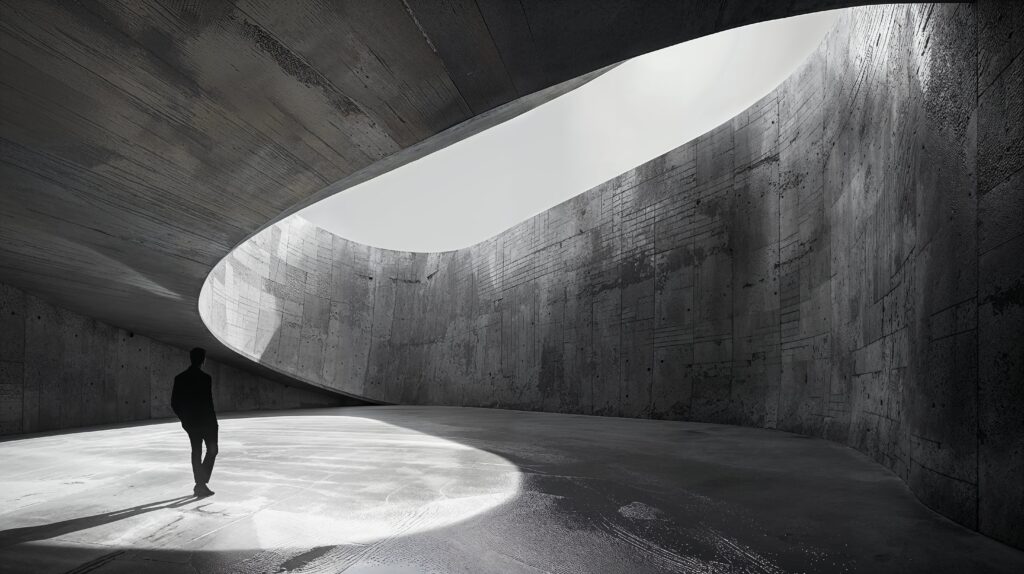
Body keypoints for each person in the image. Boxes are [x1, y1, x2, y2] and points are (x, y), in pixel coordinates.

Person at [171, 347, 218, 497]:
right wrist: (214, 423)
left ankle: (200, 483)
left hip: (192, 424)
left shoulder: (180, 378)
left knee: (196, 452)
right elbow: (208, 403)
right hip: (207, 422)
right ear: (203, 360)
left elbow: (174, 403)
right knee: (212, 450)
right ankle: (200, 483)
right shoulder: (206, 378)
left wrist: (185, 420)